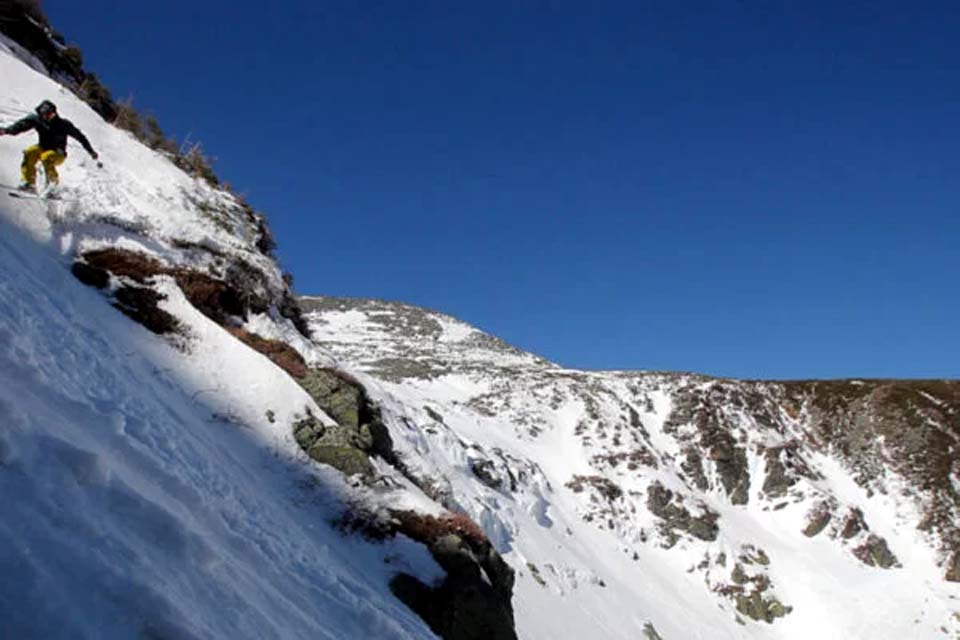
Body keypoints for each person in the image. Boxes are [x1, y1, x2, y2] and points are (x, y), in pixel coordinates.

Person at [0, 100, 100, 194]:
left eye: (51, 114)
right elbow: (21, 126)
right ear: (41, 114)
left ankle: (53, 187)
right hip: (42, 147)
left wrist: (91, 151)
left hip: (58, 152)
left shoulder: (63, 124)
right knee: (29, 153)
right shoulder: (37, 120)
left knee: (46, 157)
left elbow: (80, 137)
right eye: (46, 115)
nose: (48, 117)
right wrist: (6, 130)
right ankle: (29, 183)